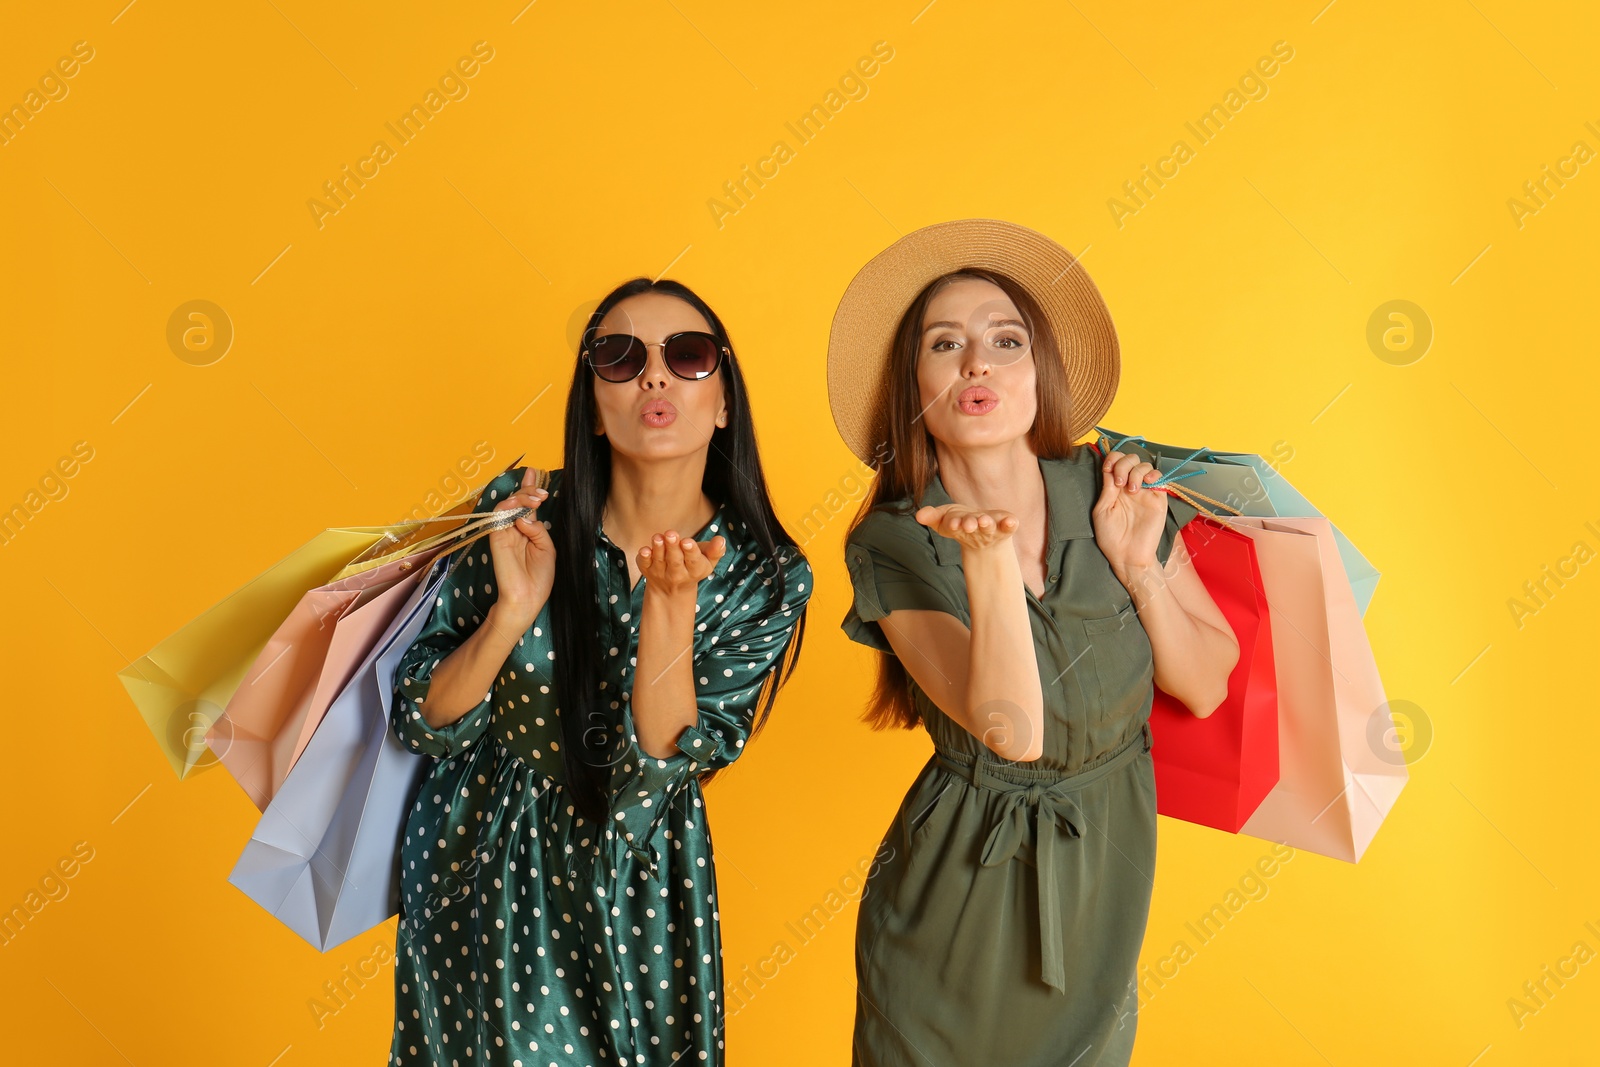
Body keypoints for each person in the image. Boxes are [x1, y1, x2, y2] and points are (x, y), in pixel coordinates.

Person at [828, 219, 1238, 1066]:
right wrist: (984, 558)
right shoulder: (893, 543)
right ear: (915, 386)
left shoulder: (1113, 489)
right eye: (947, 344)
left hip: (1101, 883)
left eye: (1004, 340)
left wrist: (1138, 564)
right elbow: (1013, 730)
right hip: (954, 904)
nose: (978, 362)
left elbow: (1205, 682)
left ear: (1037, 376)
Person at [387, 277, 812, 1066]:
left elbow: (652, 775)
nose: (653, 376)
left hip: (639, 876)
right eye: (619, 358)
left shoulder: (766, 576)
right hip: (485, 859)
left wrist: (670, 605)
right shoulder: (517, 515)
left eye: (686, 355)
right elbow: (423, 719)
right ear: (591, 404)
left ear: (723, 403)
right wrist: (513, 610)